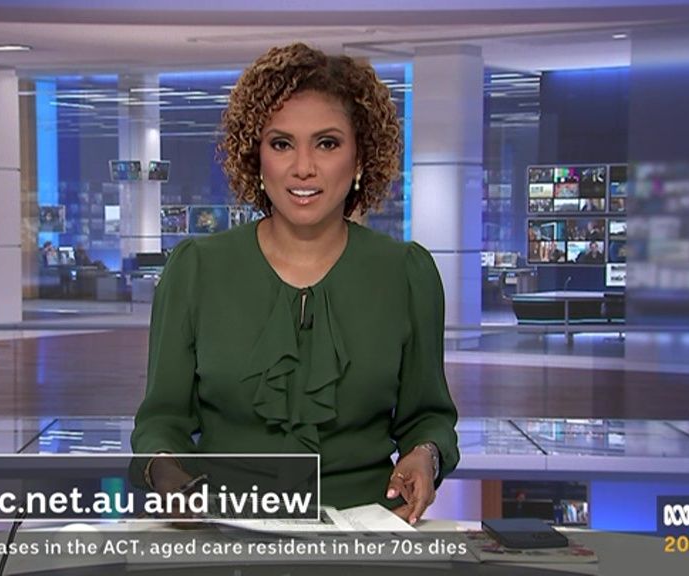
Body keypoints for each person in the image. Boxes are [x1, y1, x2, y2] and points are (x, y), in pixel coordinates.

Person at [131, 42, 459, 523]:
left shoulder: (407, 274)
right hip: (223, 527)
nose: (303, 167)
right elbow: (161, 421)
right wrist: (167, 474)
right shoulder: (196, 269)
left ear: (360, 157)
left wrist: (425, 455)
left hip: (366, 531)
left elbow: (427, 418)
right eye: (281, 144)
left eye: (327, 143)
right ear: (256, 157)